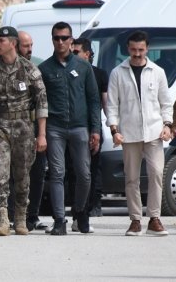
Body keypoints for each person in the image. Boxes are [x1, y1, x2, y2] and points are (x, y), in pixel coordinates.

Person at [0, 26, 48, 236]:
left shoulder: (30, 69)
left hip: (23, 128)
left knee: (22, 176)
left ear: (12, 43)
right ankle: (2, 220)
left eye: (0, 41)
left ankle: (20, 218)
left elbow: (42, 104)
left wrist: (41, 135)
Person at [106, 30, 173, 236]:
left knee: (155, 174)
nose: (137, 54)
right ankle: (135, 220)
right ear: (128, 49)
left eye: (141, 50)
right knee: (132, 178)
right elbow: (112, 105)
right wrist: (114, 130)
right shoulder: (118, 72)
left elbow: (165, 102)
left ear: (147, 49)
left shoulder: (157, 71)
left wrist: (167, 125)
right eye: (133, 50)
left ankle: (154, 218)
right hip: (129, 133)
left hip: (153, 132)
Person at [38, 22, 100, 235]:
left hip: (79, 127)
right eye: (57, 38)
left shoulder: (84, 67)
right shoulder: (44, 69)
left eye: (65, 38)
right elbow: (39, 103)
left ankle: (80, 211)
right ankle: (59, 220)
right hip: (54, 127)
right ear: (52, 40)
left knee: (84, 174)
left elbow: (93, 100)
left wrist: (96, 130)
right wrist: (41, 133)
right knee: (57, 173)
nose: (61, 42)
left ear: (71, 40)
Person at [72, 38, 109, 218]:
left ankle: (95, 204)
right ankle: (78, 206)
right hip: (72, 126)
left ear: (87, 54)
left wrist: (113, 126)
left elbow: (105, 103)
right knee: (73, 168)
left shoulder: (99, 74)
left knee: (94, 167)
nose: (73, 55)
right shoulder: (69, 72)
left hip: (92, 126)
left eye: (76, 52)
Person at [16, 31, 48, 231]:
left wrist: (42, 133)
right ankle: (10, 215)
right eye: (25, 46)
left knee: (37, 174)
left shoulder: (35, 69)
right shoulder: (0, 68)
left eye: (31, 45)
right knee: (9, 175)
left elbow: (42, 103)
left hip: (32, 129)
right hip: (8, 129)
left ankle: (32, 216)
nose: (30, 50)